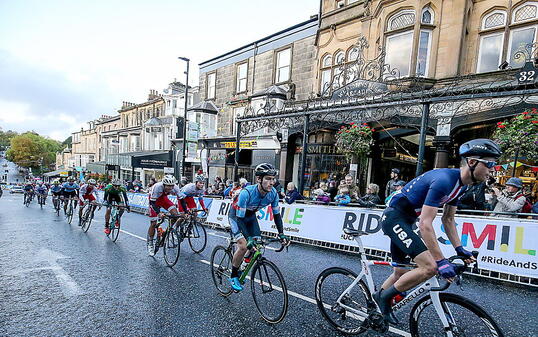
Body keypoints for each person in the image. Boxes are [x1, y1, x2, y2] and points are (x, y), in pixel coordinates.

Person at [374, 139, 501, 325]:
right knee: (430, 267)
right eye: (490, 164)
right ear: (472, 162)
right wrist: (440, 261)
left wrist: (460, 249)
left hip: (406, 221)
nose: (492, 170)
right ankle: (384, 299)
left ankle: (375, 307)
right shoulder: (444, 180)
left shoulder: (462, 186)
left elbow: (448, 219)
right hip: (394, 218)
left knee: (400, 272)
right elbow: (425, 224)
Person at [228, 163, 289, 291]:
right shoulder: (247, 193)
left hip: (250, 217)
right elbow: (240, 219)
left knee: (258, 244)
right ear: (259, 179)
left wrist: (281, 233)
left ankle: (244, 264)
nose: (271, 182)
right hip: (236, 217)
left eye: (273, 179)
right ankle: (233, 275)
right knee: (244, 245)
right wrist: (248, 238)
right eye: (268, 178)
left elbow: (277, 215)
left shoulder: (273, 194)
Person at [147, 175, 181, 256]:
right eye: (168, 186)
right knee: (153, 223)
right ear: (164, 184)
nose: (170, 188)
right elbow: (152, 203)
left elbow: (181, 199)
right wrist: (159, 213)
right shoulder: (157, 187)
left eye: (171, 186)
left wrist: (186, 211)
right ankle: (150, 243)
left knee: (176, 215)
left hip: (163, 199)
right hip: (154, 201)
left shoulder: (175, 187)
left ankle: (167, 231)